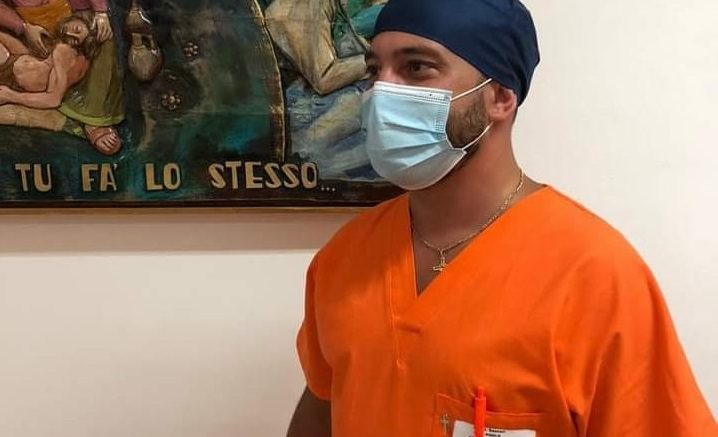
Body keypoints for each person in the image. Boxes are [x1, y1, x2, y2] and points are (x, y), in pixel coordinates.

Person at [286, 0, 717, 436]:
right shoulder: (344, 259)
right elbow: (323, 406)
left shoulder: (594, 275)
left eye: (416, 68)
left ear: (500, 97)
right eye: (374, 70)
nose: (382, 92)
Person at [0, 0, 124, 155]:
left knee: (104, 34)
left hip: (70, 15)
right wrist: (23, 27)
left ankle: (94, 117)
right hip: (23, 25)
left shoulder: (67, 47)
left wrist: (101, 12)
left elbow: (53, 98)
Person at [0, 15, 96, 110]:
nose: (68, 33)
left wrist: (11, 96)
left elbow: (54, 100)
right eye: (76, 29)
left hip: (11, 76)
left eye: (75, 40)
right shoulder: (79, 57)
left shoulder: (63, 51)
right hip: (16, 64)